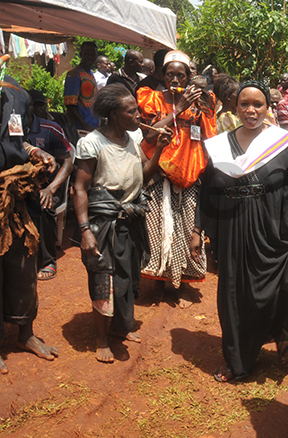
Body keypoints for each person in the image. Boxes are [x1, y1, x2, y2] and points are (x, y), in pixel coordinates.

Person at [193, 80, 288, 381]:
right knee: (233, 295)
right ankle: (238, 359)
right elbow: (209, 191)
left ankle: (283, 339)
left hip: (273, 232)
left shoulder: (286, 144)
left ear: (268, 107)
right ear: (235, 106)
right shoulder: (219, 145)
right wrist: (199, 229)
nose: (251, 110)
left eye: (258, 104)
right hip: (231, 230)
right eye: (244, 104)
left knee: (275, 292)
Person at [73, 83, 172, 363]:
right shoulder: (92, 143)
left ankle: (120, 326)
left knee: (127, 276)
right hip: (103, 223)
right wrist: (84, 231)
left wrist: (159, 151)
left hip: (130, 218)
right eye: (132, 111)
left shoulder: (133, 137)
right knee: (104, 278)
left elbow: (144, 175)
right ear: (114, 114)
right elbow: (79, 188)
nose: (138, 116)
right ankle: (101, 338)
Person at [137, 50, 217, 304]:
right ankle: (160, 283)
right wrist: (177, 109)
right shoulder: (151, 99)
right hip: (160, 174)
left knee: (185, 229)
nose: (174, 79)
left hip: (191, 174)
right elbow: (148, 137)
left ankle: (181, 281)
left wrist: (199, 105)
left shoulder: (202, 101)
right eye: (169, 74)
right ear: (162, 74)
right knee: (160, 230)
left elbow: (208, 136)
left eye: (180, 75)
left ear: (187, 76)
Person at [0, 71, 60, 374]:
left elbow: (17, 140)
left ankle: (26, 334)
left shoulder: (16, 94)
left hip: (14, 196)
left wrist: (36, 151)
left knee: (23, 265)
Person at [25, 90, 74, 281]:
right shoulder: (11, 127)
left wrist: (52, 188)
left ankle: (47, 260)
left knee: (43, 204)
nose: (36, 108)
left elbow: (68, 161)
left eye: (38, 104)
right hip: (22, 184)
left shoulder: (50, 128)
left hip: (49, 184)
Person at [64, 41, 99, 132]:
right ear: (81, 54)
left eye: (93, 55)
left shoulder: (90, 73)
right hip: (80, 127)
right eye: (87, 54)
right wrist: (84, 125)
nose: (90, 58)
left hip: (92, 124)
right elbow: (70, 104)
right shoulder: (74, 74)